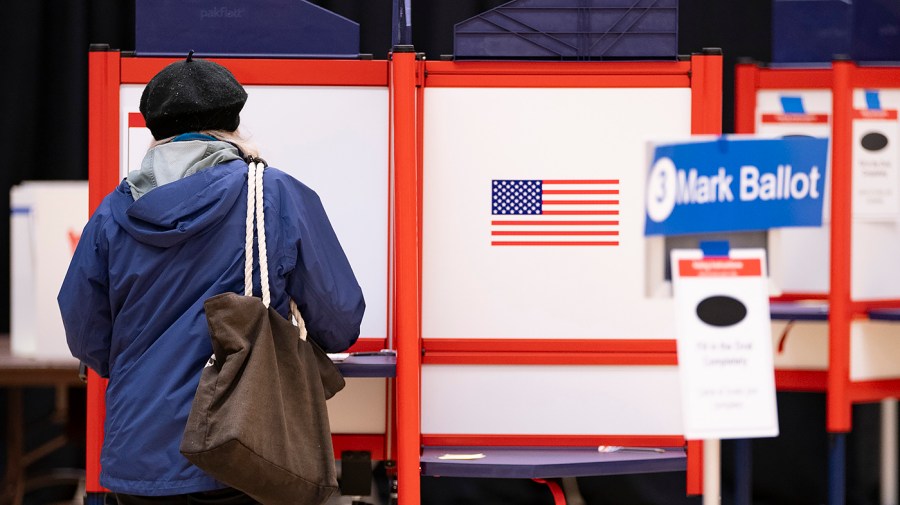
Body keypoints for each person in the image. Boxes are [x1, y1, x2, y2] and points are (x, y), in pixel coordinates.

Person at [58, 54, 365, 504]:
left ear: (155, 131)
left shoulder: (111, 214)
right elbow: (340, 321)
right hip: (245, 451)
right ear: (233, 122)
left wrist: (145, 368)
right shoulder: (273, 194)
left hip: (137, 457)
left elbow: (86, 334)